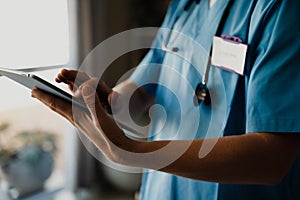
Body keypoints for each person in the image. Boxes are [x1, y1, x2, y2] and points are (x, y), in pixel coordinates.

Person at [32, 0, 300, 199]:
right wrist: (111, 102)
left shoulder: (279, 8)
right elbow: (147, 84)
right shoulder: (185, 7)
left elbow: (272, 157)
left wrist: (131, 151)